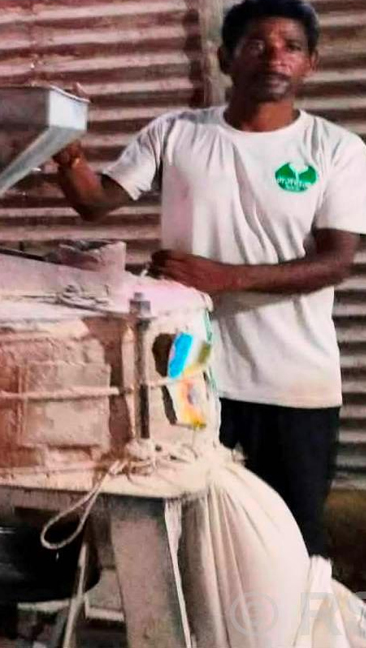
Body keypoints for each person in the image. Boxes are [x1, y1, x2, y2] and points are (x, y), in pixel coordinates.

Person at [52, 0, 366, 555]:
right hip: (188, 374)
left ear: (310, 63)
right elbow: (95, 203)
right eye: (257, 44)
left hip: (292, 382)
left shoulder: (336, 149)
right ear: (225, 58)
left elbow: (337, 261)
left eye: (291, 47)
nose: (274, 57)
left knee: (291, 538)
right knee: (190, 532)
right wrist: (66, 156)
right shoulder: (175, 133)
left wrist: (224, 277)